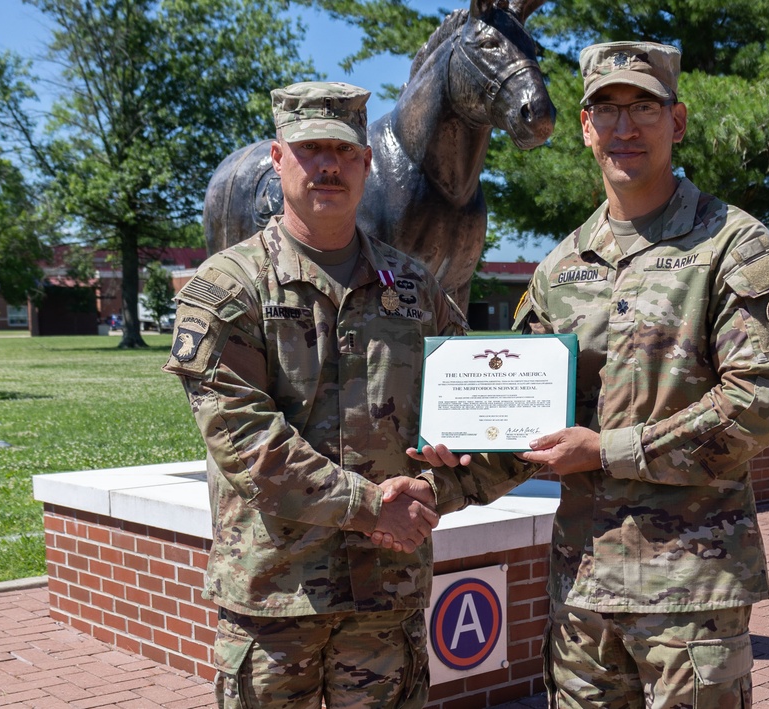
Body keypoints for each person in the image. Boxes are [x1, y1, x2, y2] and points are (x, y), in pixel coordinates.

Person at [163, 81, 522, 709]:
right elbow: (245, 443)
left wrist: (445, 482)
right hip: (276, 598)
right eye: (310, 150)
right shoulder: (225, 289)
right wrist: (372, 506)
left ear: (367, 162)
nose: (328, 165)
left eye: (343, 150)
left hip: (384, 597)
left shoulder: (414, 286)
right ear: (278, 159)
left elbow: (483, 409)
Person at [512, 41, 769, 707]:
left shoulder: (735, 247)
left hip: (689, 597)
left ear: (675, 122)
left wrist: (608, 450)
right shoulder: (561, 268)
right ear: (586, 128)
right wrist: (451, 465)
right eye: (606, 110)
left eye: (643, 107)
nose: (624, 128)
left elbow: (754, 407)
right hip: (583, 592)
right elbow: (527, 413)